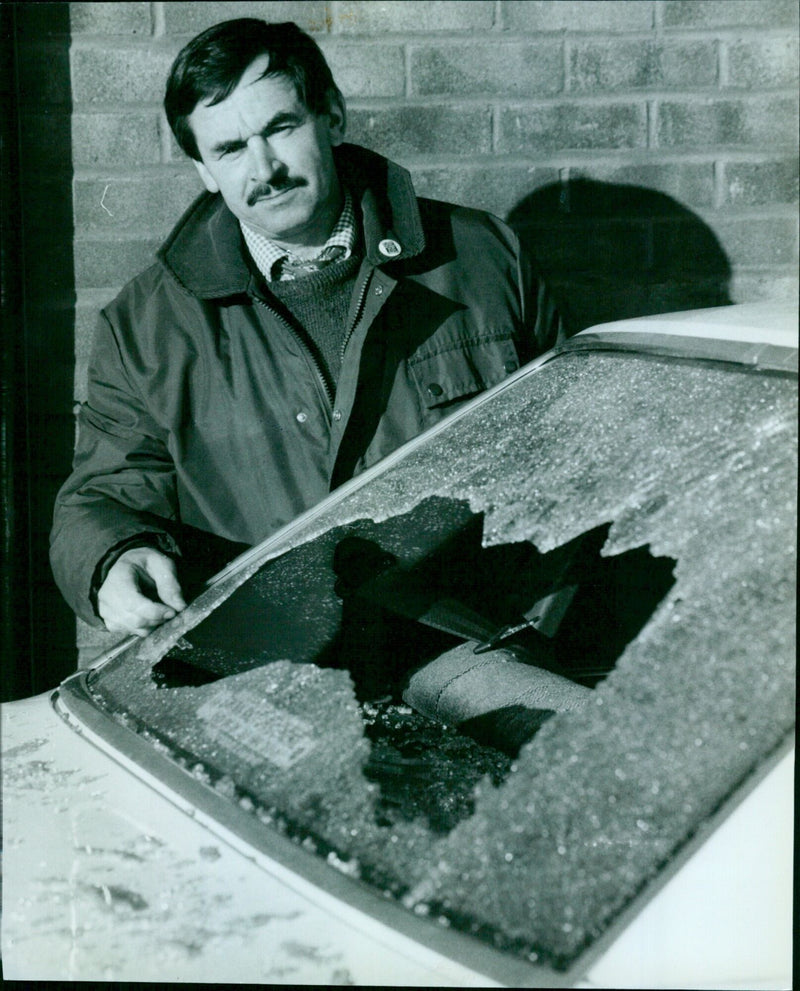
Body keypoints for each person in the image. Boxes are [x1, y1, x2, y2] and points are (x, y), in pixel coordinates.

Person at [50, 18, 564, 639]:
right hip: (271, 672)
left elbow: (578, 448)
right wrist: (112, 558)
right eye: (230, 150)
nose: (263, 169)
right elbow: (101, 495)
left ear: (334, 118)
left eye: (281, 128)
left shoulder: (483, 259)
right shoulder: (146, 327)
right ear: (204, 171)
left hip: (480, 649)